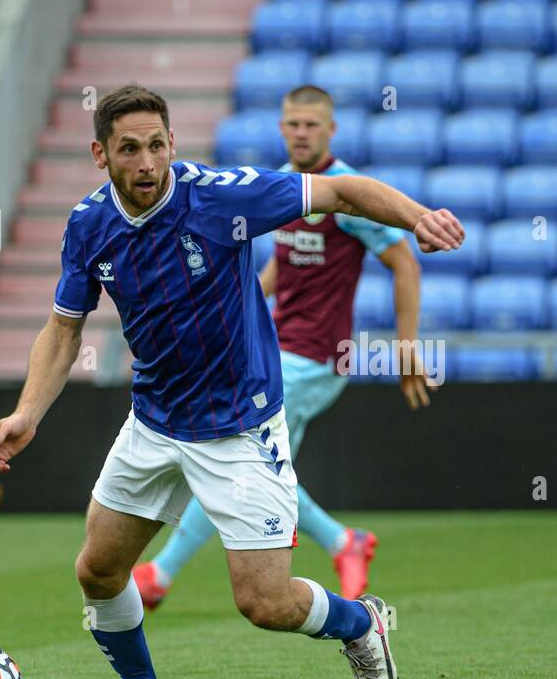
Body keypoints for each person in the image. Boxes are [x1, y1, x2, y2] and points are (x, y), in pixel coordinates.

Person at [0, 84, 464, 679]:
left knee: (265, 604)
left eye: (157, 145)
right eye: (129, 149)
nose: (147, 162)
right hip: (154, 422)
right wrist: (26, 415)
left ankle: (359, 624)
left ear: (173, 143)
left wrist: (417, 216)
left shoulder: (219, 196)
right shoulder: (88, 225)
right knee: (97, 570)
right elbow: (64, 329)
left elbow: (343, 191)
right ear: (101, 154)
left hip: (240, 425)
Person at [133, 84, 429, 607]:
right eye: (292, 123)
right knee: (252, 466)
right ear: (281, 127)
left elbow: (404, 260)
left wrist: (407, 346)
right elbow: (279, 270)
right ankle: (344, 541)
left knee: (231, 457)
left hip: (318, 355)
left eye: (311, 125)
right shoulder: (289, 187)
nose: (300, 133)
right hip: (275, 348)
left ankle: (161, 573)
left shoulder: (342, 191)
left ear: (330, 130)